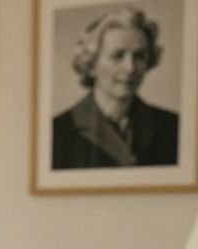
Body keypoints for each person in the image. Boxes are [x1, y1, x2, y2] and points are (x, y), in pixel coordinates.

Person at [51, 7, 177, 169]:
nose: (130, 68)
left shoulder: (173, 126)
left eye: (139, 56)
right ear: (91, 63)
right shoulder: (57, 133)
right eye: (117, 56)